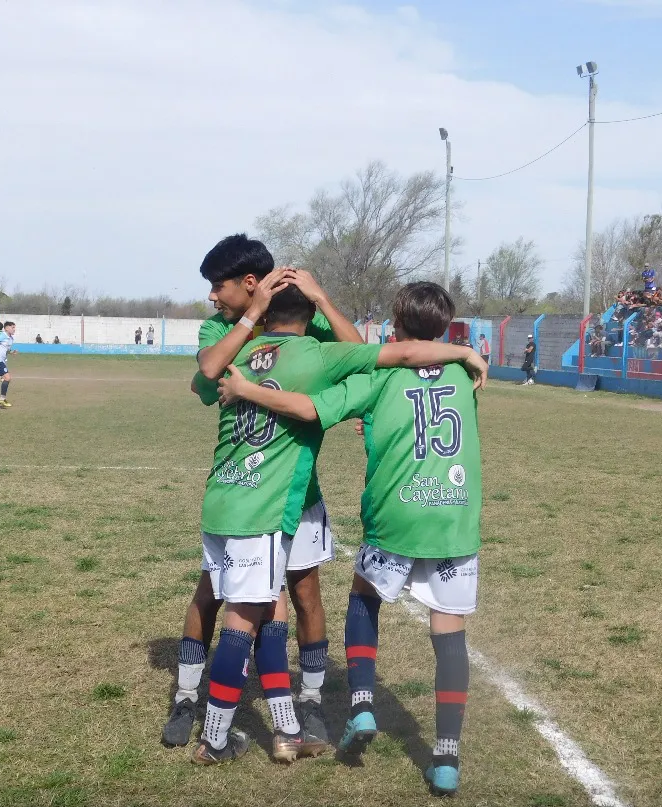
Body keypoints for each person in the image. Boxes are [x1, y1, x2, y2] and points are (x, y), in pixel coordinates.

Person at [191, 278, 487, 766]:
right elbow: (384, 371)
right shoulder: (460, 374)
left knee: (295, 605)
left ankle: (327, 714)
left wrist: (244, 382)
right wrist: (465, 352)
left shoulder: (235, 353)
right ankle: (446, 756)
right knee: (253, 617)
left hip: (236, 498)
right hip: (440, 516)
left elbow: (219, 384)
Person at [162, 234, 362, 755]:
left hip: (297, 491)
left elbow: (357, 352)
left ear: (250, 282)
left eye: (218, 286)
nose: (212, 297)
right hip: (249, 496)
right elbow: (205, 378)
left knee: (300, 595)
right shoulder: (221, 329)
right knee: (215, 593)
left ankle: (306, 702)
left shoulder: (300, 321)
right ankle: (188, 698)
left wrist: (321, 300)